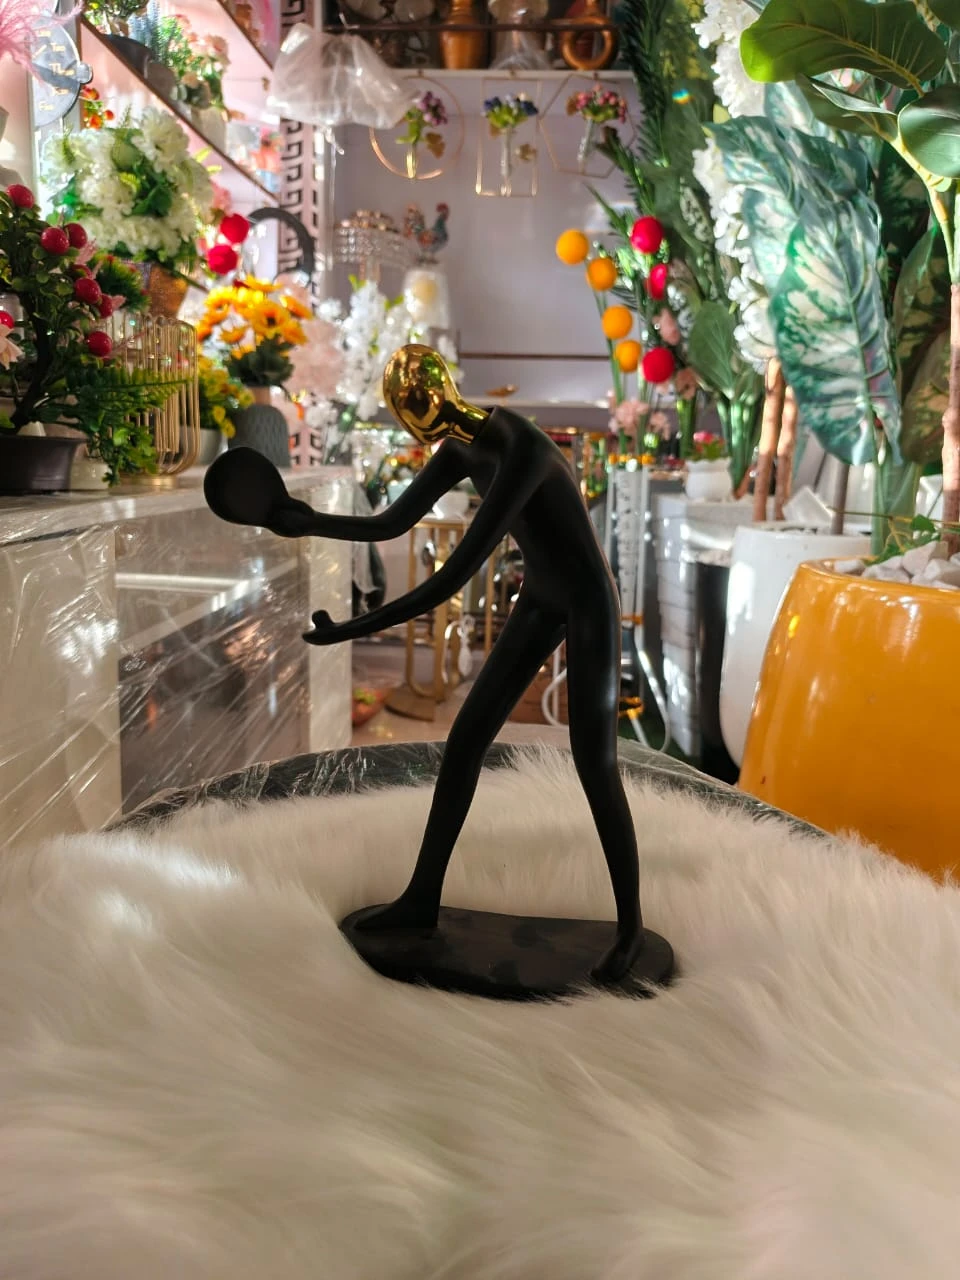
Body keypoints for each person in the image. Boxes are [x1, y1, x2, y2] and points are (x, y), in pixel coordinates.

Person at [205, 344, 647, 984]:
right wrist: (308, 522)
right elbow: (390, 523)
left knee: (594, 761)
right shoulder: (462, 446)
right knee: (465, 741)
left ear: (435, 404)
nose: (421, 433)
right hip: (541, 594)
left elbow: (449, 580)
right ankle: (421, 898)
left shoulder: (521, 450)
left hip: (586, 600)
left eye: (417, 419)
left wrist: (352, 629)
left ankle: (630, 929)